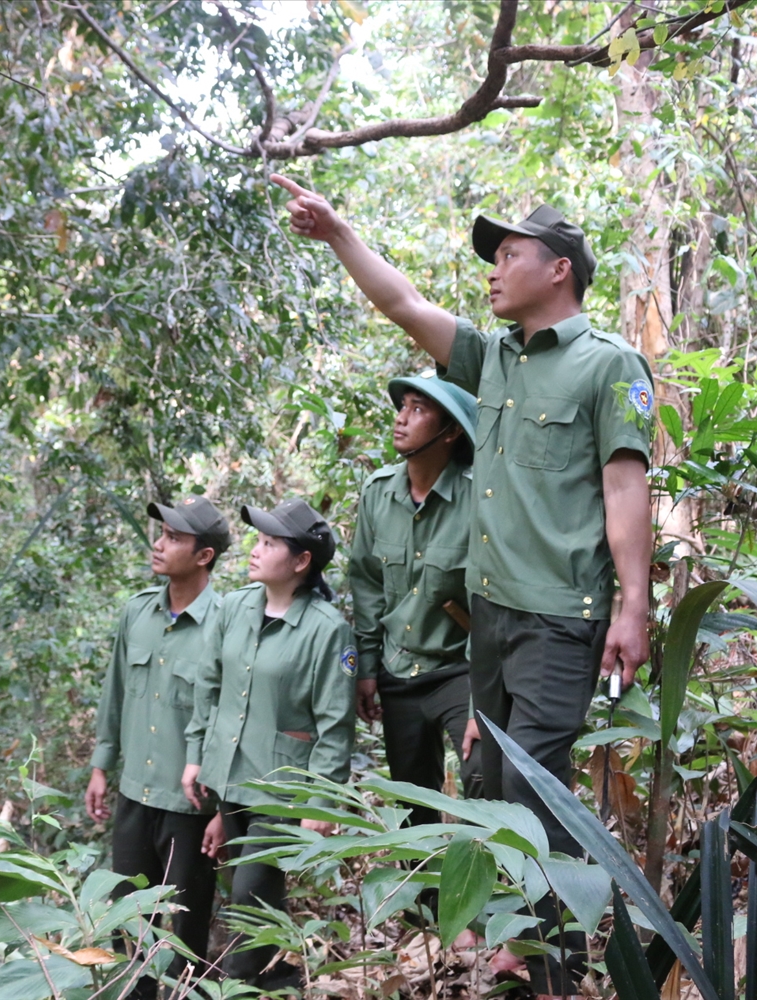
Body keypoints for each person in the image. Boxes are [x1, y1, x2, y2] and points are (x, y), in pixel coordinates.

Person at [271, 174, 653, 998]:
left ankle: (550, 962)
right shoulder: (490, 362)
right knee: (492, 785)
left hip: (560, 617)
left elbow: (625, 488)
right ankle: (522, 942)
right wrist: (338, 232)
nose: (494, 268)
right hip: (491, 621)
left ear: (558, 269)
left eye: (510, 254)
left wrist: (634, 603)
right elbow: (405, 303)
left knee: (534, 786)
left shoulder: (607, 365)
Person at [181, 499, 356, 990]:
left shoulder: (327, 630)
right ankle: (282, 984)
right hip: (230, 785)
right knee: (260, 908)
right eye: (257, 541)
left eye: (269, 544)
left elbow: (335, 725)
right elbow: (209, 689)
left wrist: (321, 802)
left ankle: (244, 985)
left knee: (248, 910)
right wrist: (198, 761)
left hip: (282, 793)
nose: (255, 551)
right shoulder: (235, 607)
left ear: (301, 562)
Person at [87, 496, 230, 996]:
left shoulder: (227, 621)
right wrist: (102, 766)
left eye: (173, 537)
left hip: (190, 806)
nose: (159, 544)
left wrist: (224, 807)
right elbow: (115, 693)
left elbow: (229, 717)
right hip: (133, 795)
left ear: (203, 555)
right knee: (127, 922)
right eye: (160, 533)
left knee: (185, 932)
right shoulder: (137, 613)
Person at [348, 371, 482, 821]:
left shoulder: (478, 494)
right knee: (412, 808)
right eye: (402, 406)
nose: (401, 419)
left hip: (458, 668)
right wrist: (367, 668)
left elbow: (492, 601)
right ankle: (421, 892)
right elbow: (367, 585)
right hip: (398, 668)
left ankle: (496, 882)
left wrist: (481, 703)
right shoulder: (377, 494)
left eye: (419, 409)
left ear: (451, 432)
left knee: (483, 772)